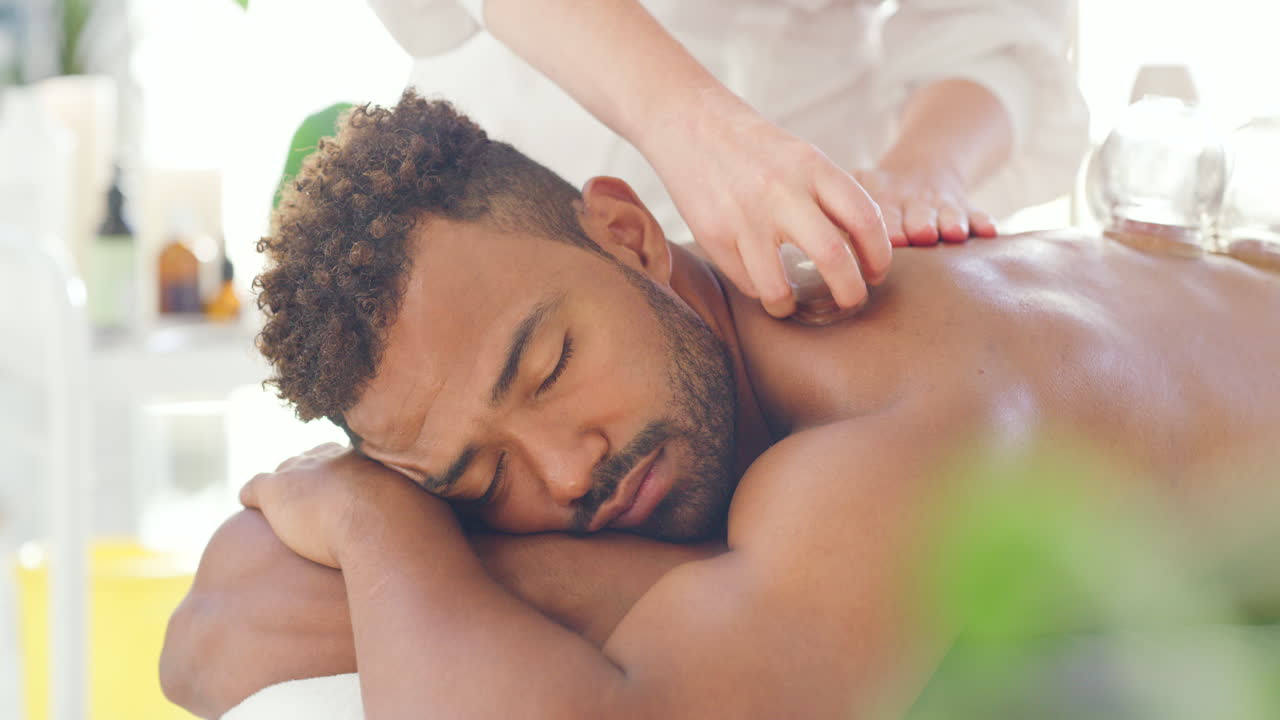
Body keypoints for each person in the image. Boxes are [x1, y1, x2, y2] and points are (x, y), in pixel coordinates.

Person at [160, 94, 1277, 718]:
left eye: (545, 366)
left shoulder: (874, 421)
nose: (561, 473)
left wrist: (371, 523)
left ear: (629, 234)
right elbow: (206, 641)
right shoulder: (744, 386)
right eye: (475, 480)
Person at [365, 0, 1089, 317]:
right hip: (496, 159)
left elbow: (995, 27)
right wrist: (690, 124)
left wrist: (925, 171)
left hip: (798, 231)